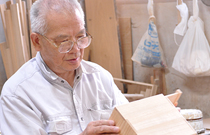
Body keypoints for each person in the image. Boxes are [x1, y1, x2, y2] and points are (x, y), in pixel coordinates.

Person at [0, 0, 129, 134]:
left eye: (81, 37)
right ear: (37, 41)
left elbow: (130, 121)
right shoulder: (17, 94)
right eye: (64, 42)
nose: (76, 49)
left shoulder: (100, 77)